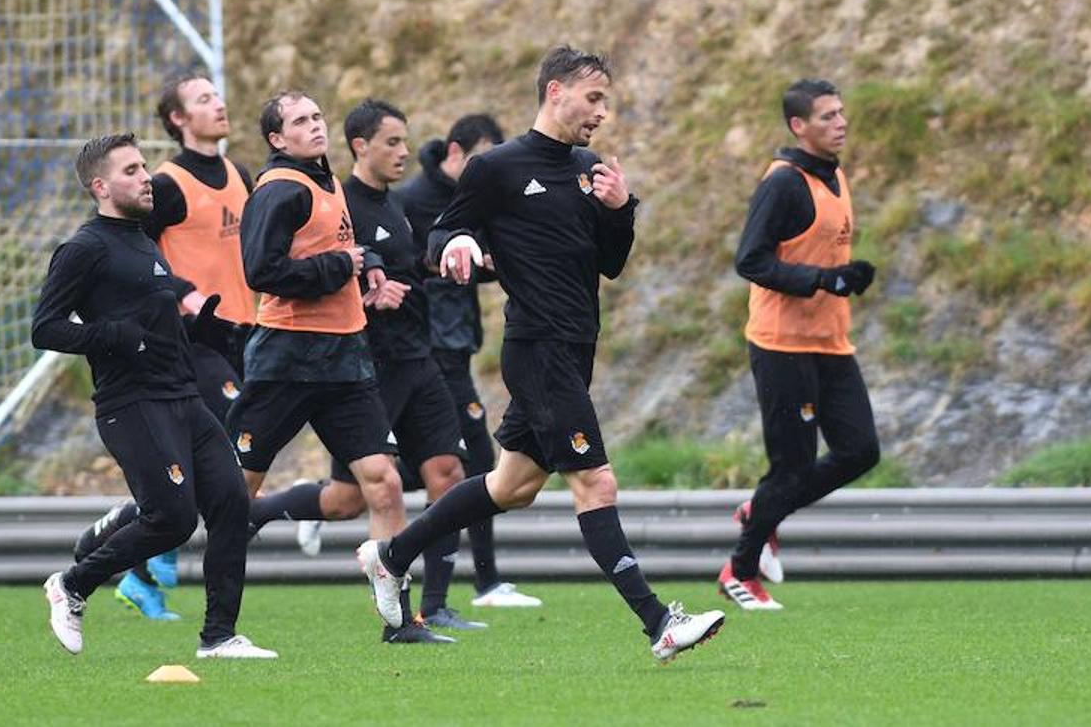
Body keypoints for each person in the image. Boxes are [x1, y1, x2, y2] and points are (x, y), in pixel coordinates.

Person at [358, 45, 725, 663]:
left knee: (513, 486)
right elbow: (443, 231)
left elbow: (611, 263)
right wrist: (456, 245)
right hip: (537, 348)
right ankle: (659, 623)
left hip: (576, 346)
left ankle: (391, 556)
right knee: (596, 481)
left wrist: (621, 209)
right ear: (556, 92)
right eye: (593, 98)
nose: (601, 112)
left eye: (605, 100)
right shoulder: (496, 167)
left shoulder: (589, 169)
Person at [34, 133, 274, 659]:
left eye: (144, 167)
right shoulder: (83, 248)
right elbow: (45, 328)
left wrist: (200, 333)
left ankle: (219, 637)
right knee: (173, 519)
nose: (147, 178)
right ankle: (72, 585)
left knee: (233, 503)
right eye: (131, 171)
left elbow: (152, 327)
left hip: (182, 396)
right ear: (100, 187)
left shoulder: (144, 241)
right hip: (132, 404)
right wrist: (115, 336)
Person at [223, 91, 432, 644]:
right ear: (277, 138)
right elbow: (261, 271)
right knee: (233, 492)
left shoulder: (327, 180)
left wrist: (371, 267)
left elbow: (346, 243)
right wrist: (341, 265)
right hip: (286, 360)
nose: (315, 126)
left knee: (384, 483)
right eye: (300, 121)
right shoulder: (279, 189)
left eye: (317, 116)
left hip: (344, 359)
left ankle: (399, 623)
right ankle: (211, 624)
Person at [72, 71, 256, 621]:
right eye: (203, 98)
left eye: (218, 94)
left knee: (217, 473)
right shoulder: (168, 185)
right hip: (186, 344)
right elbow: (126, 254)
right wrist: (181, 295)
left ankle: (137, 553)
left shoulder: (239, 174)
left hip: (238, 334)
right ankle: (141, 552)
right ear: (178, 119)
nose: (219, 104)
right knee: (231, 461)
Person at [717, 79, 881, 610]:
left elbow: (820, 254)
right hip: (782, 345)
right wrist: (822, 279)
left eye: (842, 112)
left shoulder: (834, 174)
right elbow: (751, 260)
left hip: (831, 342)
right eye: (827, 116)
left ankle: (761, 511)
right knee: (791, 466)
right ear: (798, 126)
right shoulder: (783, 183)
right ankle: (740, 571)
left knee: (860, 450)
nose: (841, 123)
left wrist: (846, 277)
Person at [395, 113, 542, 609]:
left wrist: (493, 261)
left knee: (444, 465)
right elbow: (413, 266)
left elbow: (471, 264)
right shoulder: (413, 200)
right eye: (479, 158)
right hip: (424, 350)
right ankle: (482, 582)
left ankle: (469, 586)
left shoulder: (474, 195)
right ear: (455, 152)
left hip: (455, 346)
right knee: (475, 458)